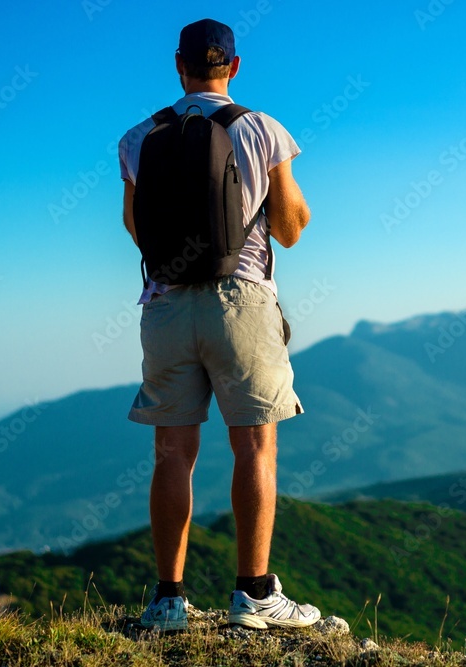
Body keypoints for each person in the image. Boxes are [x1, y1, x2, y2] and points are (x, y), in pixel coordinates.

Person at [117, 18, 320, 632]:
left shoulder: (138, 138)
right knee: (253, 444)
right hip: (241, 301)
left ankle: (168, 600)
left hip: (165, 305)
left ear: (178, 65)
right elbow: (290, 227)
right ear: (234, 66)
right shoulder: (262, 129)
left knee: (172, 451)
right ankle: (254, 594)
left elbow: (134, 228)